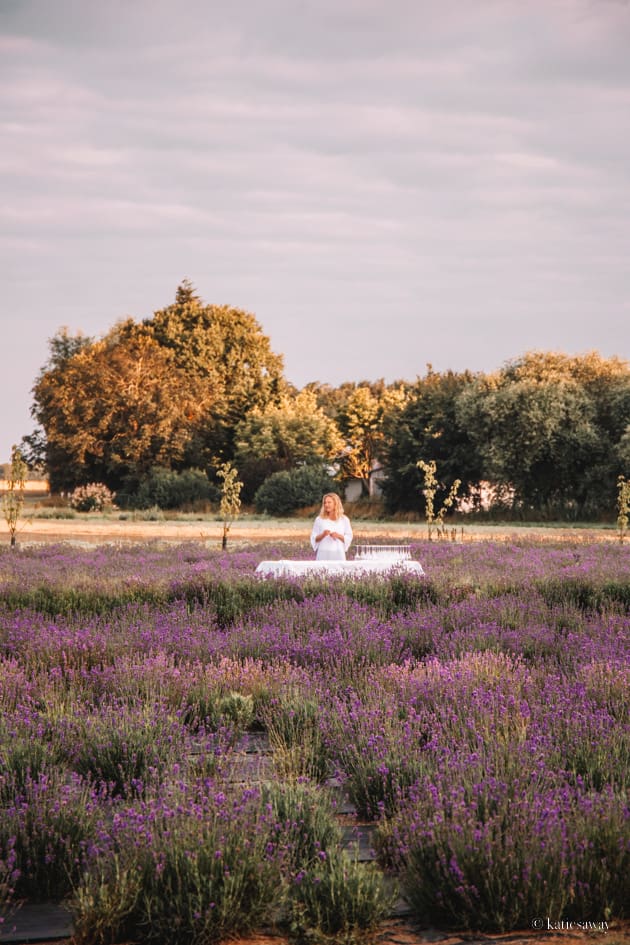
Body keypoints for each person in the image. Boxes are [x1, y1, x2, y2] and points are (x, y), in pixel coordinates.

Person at [310, 493, 353, 561]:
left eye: (329, 502)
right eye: (325, 503)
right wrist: (323, 535)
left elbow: (349, 537)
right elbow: (314, 538)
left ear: (335, 503)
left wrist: (338, 535)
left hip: (338, 553)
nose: (326, 505)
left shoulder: (344, 520)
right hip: (323, 553)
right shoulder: (319, 519)